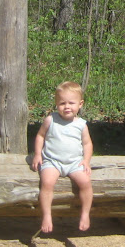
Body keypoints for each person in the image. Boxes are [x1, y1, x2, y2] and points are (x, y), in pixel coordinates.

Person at [30, 81, 93, 233]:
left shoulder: (81, 125)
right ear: (56, 103)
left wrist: (86, 160)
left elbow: (87, 144)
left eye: (71, 103)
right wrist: (38, 154)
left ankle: (85, 214)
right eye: (62, 103)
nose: (67, 107)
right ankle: (46, 215)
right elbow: (40, 136)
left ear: (80, 104)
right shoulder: (50, 120)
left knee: (85, 182)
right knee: (47, 182)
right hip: (53, 161)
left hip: (74, 162)